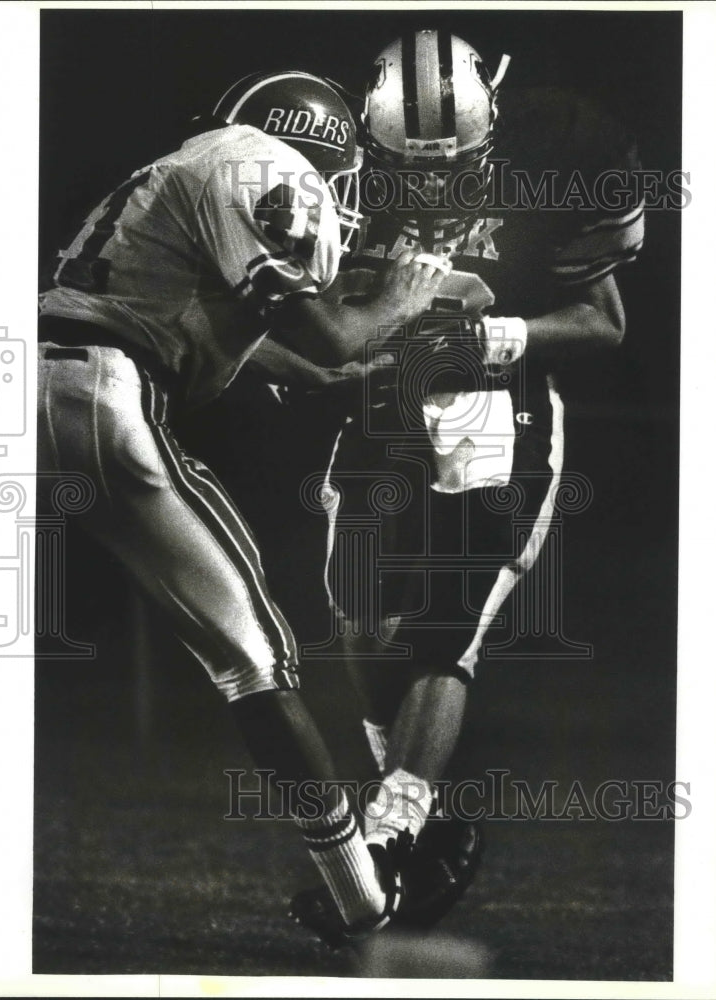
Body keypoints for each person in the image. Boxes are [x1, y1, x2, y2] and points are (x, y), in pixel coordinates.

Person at [37, 69, 450, 939]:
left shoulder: (187, 168)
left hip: (19, 382)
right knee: (254, 656)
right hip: (96, 395)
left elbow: (278, 354)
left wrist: (351, 368)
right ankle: (361, 895)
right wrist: (402, 297)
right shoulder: (263, 164)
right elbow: (329, 330)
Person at [249, 30, 643, 940]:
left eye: (452, 162)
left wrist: (494, 337)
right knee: (357, 618)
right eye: (405, 164)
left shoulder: (552, 161)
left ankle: (389, 834)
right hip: (381, 412)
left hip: (494, 412)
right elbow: (319, 309)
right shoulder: (333, 168)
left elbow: (601, 320)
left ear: (493, 122)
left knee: (445, 627)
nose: (427, 182)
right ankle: (416, 806)